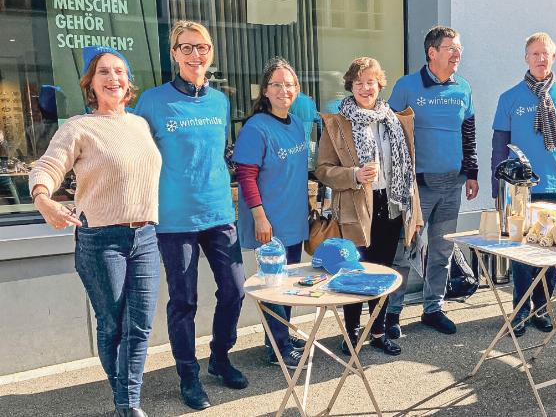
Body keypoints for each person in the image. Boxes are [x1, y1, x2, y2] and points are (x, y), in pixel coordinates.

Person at [29, 46, 162, 417]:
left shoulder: (139, 125)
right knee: (112, 325)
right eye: (104, 72)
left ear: (128, 82)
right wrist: (44, 199)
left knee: (140, 325)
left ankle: (127, 403)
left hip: (146, 237)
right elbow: (47, 167)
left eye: (119, 71)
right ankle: (125, 399)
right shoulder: (79, 127)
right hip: (101, 240)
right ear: (91, 83)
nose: (113, 78)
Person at [133, 21, 247, 410]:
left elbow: (221, 152)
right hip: (174, 219)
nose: (195, 55)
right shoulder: (151, 101)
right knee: (184, 301)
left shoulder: (220, 101)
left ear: (211, 53)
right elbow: (136, 156)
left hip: (218, 212)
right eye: (186, 48)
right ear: (174, 54)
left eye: (202, 48)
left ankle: (219, 356)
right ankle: (188, 374)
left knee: (234, 289)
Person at [315, 57, 423, 355]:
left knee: (381, 271)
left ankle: (377, 330)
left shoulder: (394, 120)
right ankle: (350, 333)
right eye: (359, 82)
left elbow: (408, 169)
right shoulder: (336, 123)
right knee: (353, 272)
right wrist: (353, 175)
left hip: (390, 204)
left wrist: (415, 210)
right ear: (350, 85)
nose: (365, 88)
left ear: (380, 85)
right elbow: (322, 169)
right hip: (354, 207)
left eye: (371, 82)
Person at [491, 31, 556, 337]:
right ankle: (520, 312)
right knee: (522, 255)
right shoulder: (509, 98)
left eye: (546, 54)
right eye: (535, 53)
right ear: (526, 58)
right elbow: (499, 147)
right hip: (521, 189)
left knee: (548, 253)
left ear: (554, 57)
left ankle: (542, 308)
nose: (541, 59)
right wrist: (498, 190)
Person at [386, 26, 478, 337]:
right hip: (418, 187)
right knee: (404, 250)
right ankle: (392, 314)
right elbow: (391, 136)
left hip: (452, 185)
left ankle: (433, 308)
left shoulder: (463, 88)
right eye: (451, 47)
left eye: (459, 47)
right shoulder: (406, 87)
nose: (457, 53)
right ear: (432, 52)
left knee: (442, 251)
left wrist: (472, 173)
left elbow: (469, 133)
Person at [232, 57, 309, 370]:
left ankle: (281, 336)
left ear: (297, 89)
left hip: (294, 218)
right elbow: (246, 176)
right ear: (265, 90)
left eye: (288, 84)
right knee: (274, 285)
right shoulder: (256, 128)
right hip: (270, 222)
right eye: (276, 84)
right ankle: (277, 346)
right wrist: (260, 217)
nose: (283, 90)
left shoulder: (298, 124)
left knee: (288, 284)